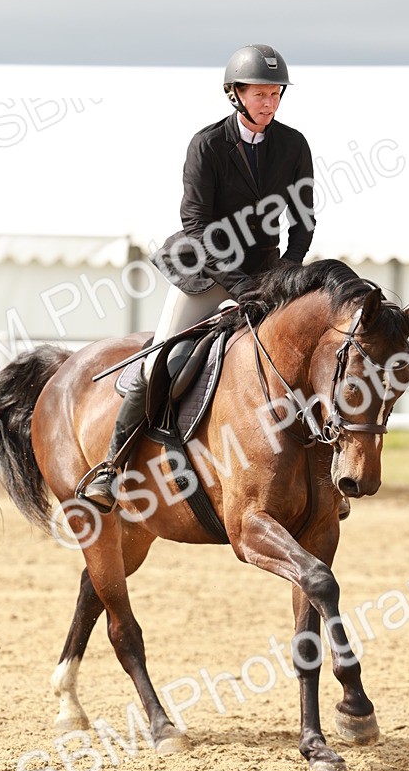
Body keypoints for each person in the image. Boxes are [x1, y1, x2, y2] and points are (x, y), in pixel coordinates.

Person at [83, 43, 315, 512]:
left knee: (308, 355)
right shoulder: (207, 145)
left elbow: (303, 220)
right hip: (205, 270)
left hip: (267, 273)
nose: (269, 103)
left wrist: (288, 272)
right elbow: (197, 227)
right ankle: (113, 465)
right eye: (260, 94)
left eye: (275, 94)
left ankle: (319, 474)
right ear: (235, 94)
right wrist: (239, 286)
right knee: (158, 359)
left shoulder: (293, 145)